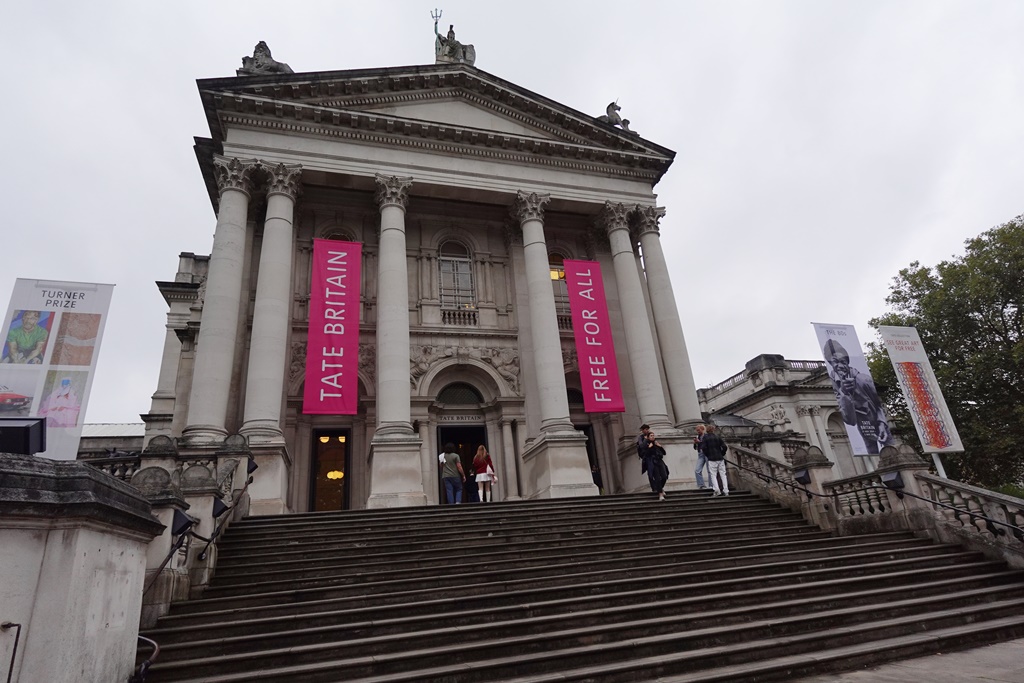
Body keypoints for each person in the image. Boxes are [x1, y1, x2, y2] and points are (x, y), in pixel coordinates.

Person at [822, 338, 895, 454]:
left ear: (848, 362)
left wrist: (882, 424)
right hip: (864, 429)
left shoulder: (864, 380)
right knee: (872, 456)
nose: (840, 366)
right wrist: (845, 393)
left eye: (843, 362)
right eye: (835, 362)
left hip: (880, 426)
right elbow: (849, 420)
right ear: (830, 363)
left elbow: (877, 404)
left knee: (893, 454)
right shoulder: (833, 384)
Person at [640, 431, 669, 501]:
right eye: (651, 436)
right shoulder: (645, 444)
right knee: (657, 478)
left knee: (664, 476)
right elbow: (644, 455)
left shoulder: (656, 443)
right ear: (648, 437)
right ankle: (660, 494)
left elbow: (664, 453)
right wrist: (649, 448)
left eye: (653, 435)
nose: (653, 437)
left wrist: (660, 447)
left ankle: (660, 488)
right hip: (652, 463)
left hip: (659, 461)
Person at [702, 424, 729, 496]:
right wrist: (722, 453)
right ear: (713, 430)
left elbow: (703, 448)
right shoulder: (717, 437)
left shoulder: (705, 437)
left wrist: (708, 455)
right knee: (723, 474)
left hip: (711, 458)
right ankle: (726, 490)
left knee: (713, 475)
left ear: (707, 430)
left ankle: (716, 490)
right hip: (720, 458)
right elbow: (724, 446)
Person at [693, 424, 710, 489]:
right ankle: (701, 485)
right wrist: (695, 443)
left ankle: (711, 485)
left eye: (699, 430)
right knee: (697, 470)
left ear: (703, 429)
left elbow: (707, 445)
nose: (698, 431)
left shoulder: (707, 436)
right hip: (700, 454)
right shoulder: (698, 436)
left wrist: (699, 442)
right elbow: (695, 448)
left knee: (709, 470)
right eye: (697, 430)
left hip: (707, 453)